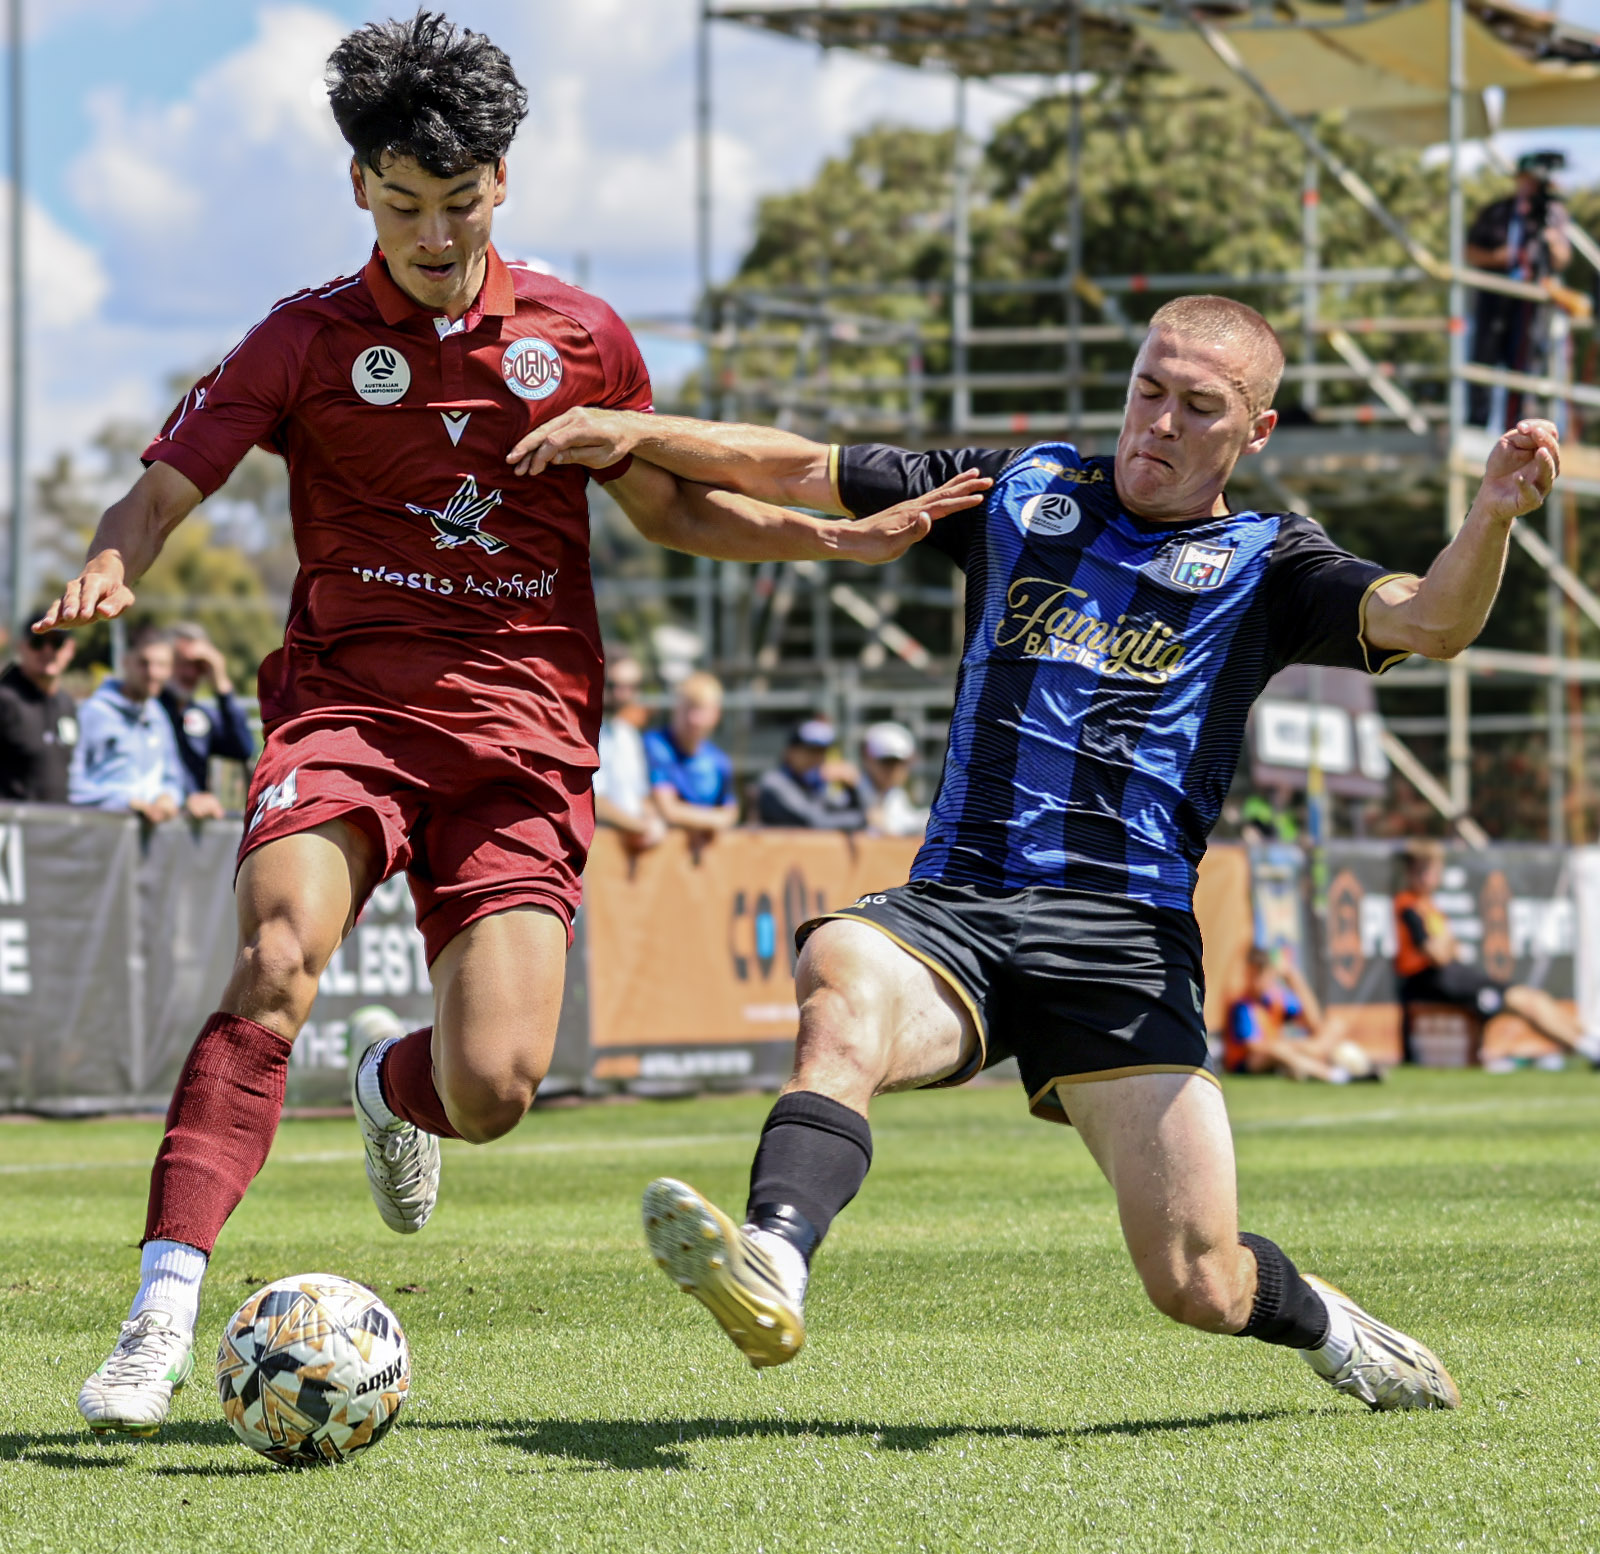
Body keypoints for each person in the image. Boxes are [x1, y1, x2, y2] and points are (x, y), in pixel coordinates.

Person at [49, 11, 977, 1439]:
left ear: (503, 180)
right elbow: (168, 485)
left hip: (523, 736)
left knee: (490, 1089)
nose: (432, 235)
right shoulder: (302, 338)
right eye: (402, 204)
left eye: (458, 202)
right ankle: (160, 1313)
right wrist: (116, 561)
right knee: (277, 956)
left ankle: (387, 1085)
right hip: (349, 709)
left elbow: (670, 506)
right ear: (359, 186)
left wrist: (830, 540)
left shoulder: (580, 337)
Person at [518, 293, 1569, 1413]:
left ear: (1255, 430)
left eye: (1197, 406)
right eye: (1147, 389)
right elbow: (797, 467)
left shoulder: (1270, 563)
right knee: (842, 979)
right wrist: (634, 428)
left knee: (1198, 1280)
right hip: (959, 905)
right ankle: (774, 1254)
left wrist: (1492, 515)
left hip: (1123, 938)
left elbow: (1432, 620)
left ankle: (1328, 1325)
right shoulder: (1019, 488)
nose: (1158, 422)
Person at [1394, 841, 1600, 1068]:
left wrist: (1446, 943)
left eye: (1432, 870)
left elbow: (1452, 950)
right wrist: (1446, 942)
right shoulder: (1409, 906)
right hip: (1433, 982)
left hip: (1454, 975)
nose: (1428, 877)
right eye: (1422, 871)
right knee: (1524, 1003)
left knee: (1534, 998)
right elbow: (1438, 955)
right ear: (1410, 873)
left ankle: (1591, 1041)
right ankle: (1589, 1049)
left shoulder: (1430, 907)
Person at [1466, 151, 1574, 430]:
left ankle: (1519, 430)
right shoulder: (1496, 212)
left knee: (1525, 366)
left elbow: (1562, 260)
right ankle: (1476, 425)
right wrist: (1499, 257)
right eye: (1525, 180)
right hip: (1493, 301)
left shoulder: (1552, 216)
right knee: (1483, 362)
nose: (1529, 186)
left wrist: (1552, 240)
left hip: (1530, 308)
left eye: (1534, 182)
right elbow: (1470, 252)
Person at [68, 625, 189, 823]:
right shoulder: (94, 713)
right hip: (102, 829)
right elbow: (74, 784)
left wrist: (168, 797)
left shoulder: (158, 715)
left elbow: (173, 778)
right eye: (143, 663)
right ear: (125, 662)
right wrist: (125, 803)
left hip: (147, 834)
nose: (152, 673)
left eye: (161, 665)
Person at [1223, 946, 1381, 1084]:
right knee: (1278, 1048)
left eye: (1265, 975)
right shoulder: (1243, 1007)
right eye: (1254, 975)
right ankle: (1334, 1075)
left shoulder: (1273, 1001)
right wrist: (1300, 1046)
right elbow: (1254, 1047)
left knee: (1335, 1025)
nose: (1259, 981)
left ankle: (1313, 1062)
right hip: (1249, 1062)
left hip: (1284, 1051)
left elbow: (1314, 1022)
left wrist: (1294, 979)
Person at [159, 622, 255, 818]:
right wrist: (185, 798)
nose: (190, 673)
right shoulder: (146, 711)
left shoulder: (198, 715)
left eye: (199, 666)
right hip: (158, 815)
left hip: (195, 822)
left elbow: (243, 748)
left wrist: (220, 683)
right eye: (182, 663)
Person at [644, 671, 738, 845]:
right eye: (688, 708)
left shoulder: (719, 761)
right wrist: (714, 820)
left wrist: (710, 819)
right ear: (676, 708)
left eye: (701, 710)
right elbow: (668, 810)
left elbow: (730, 814)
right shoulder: (654, 745)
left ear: (716, 714)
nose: (693, 719)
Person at [0, 611, 79, 803]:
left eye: (57, 643)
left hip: (59, 818)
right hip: (10, 819)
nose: (47, 650)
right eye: (38, 642)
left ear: (70, 649)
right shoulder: (4, 699)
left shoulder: (67, 704)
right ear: (21, 646)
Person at [593, 651, 664, 852]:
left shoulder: (627, 733)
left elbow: (642, 794)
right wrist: (642, 827)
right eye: (614, 685)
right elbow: (591, 801)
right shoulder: (582, 733)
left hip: (630, 848)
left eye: (632, 686)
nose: (624, 694)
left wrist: (651, 821)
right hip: (598, 847)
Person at [755, 718, 866, 830]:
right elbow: (815, 822)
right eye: (811, 751)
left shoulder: (816, 782)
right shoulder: (774, 783)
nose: (817, 758)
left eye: (822, 751)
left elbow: (846, 810)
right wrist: (864, 818)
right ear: (790, 751)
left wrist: (853, 786)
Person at [858, 720, 927, 838]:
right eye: (887, 762)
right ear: (867, 759)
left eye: (902, 763)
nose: (895, 770)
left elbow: (909, 822)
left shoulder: (896, 795)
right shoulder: (850, 793)